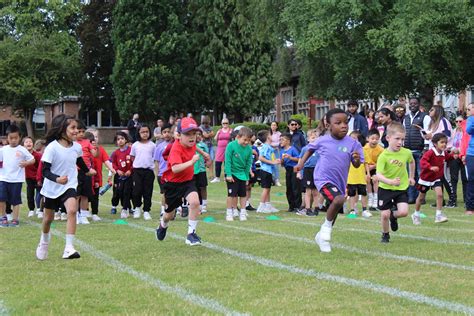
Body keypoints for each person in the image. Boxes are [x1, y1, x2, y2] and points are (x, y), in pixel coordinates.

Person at [295, 108, 364, 252]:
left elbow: (357, 165)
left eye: (345, 122)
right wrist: (301, 163)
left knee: (336, 205)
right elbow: (310, 149)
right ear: (328, 126)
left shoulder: (353, 143)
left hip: (339, 181)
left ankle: (321, 236)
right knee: (339, 200)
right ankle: (326, 229)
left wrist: (356, 160)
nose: (343, 125)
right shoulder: (322, 140)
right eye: (338, 123)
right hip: (322, 178)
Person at [35, 114, 96, 260]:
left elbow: (79, 160)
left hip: (69, 184)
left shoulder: (76, 146)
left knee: (72, 210)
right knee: (48, 219)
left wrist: (87, 171)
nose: (76, 131)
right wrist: (56, 179)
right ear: (62, 130)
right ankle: (44, 241)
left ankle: (69, 248)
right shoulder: (52, 148)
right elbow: (44, 171)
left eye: (77, 128)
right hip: (52, 187)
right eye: (73, 128)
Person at [156, 117, 204, 245]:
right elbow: (175, 168)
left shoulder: (191, 143)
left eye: (194, 133)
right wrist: (192, 162)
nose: (192, 137)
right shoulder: (176, 149)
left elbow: (194, 148)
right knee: (169, 216)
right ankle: (162, 224)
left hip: (188, 181)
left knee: (195, 202)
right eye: (187, 134)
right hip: (172, 184)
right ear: (178, 135)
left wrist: (205, 154)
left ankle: (191, 234)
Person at [376, 123, 415, 243]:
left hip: (401, 187)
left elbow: (412, 162)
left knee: (403, 212)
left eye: (402, 139)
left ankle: (394, 216)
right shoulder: (383, 156)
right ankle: (385, 234)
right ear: (388, 138)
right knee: (384, 215)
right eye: (397, 139)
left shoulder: (406, 152)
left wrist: (411, 177)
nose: (400, 142)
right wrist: (390, 181)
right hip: (385, 188)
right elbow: (378, 175)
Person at [411, 133, 452, 225]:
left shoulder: (444, 153)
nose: (444, 144)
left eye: (445, 142)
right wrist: (430, 167)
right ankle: (416, 214)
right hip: (425, 179)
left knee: (440, 195)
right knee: (421, 198)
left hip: (436, 178)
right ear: (435, 143)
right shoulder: (430, 152)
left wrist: (454, 155)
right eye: (442, 142)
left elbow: (448, 157)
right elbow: (423, 162)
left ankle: (438, 215)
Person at [0, 125, 35, 227]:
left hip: (16, 180)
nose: (13, 140)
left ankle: (15, 219)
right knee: (1, 199)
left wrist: (26, 163)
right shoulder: (3, 149)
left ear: (20, 137)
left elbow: (32, 159)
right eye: (11, 138)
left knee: (15, 200)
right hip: (3, 178)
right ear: (7, 138)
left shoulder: (22, 149)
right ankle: (3, 217)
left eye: (16, 138)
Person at [403, 97, 431, 204]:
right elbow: (404, 132)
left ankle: (420, 197)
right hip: (408, 150)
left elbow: (427, 132)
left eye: (415, 103)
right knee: (410, 175)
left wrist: (426, 148)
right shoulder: (406, 118)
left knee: (420, 174)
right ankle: (411, 196)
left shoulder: (425, 117)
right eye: (411, 103)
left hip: (420, 150)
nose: (412, 105)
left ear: (419, 105)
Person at [224, 127, 253, 221]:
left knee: (243, 195)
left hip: (242, 174)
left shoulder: (249, 149)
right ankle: (229, 212)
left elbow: (248, 164)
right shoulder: (231, 146)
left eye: (248, 140)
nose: (246, 142)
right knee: (231, 195)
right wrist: (228, 174)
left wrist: (246, 177)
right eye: (244, 140)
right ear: (238, 137)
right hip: (232, 173)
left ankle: (243, 213)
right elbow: (227, 161)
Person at [88, 128, 116, 222]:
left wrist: (111, 168)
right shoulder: (85, 149)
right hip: (86, 177)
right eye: (92, 136)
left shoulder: (101, 149)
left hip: (96, 177)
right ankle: (84, 211)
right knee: (85, 196)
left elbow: (106, 160)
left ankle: (95, 213)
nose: (94, 139)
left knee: (95, 196)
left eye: (96, 136)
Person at [130, 125, 155, 220]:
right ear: (138, 133)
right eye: (142, 132)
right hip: (137, 171)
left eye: (146, 132)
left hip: (148, 171)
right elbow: (132, 157)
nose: (145, 134)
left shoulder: (152, 145)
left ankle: (146, 210)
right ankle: (137, 208)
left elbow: (154, 157)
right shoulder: (135, 145)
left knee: (147, 191)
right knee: (137, 190)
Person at [75, 121, 97, 225]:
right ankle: (75, 215)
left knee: (85, 194)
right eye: (79, 131)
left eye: (83, 131)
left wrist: (93, 148)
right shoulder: (73, 143)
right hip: (76, 171)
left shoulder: (87, 142)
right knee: (76, 194)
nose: (81, 134)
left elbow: (94, 154)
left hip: (86, 172)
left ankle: (83, 215)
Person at [296, 129, 320, 217]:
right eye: (312, 138)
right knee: (308, 190)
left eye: (316, 138)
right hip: (308, 170)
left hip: (316, 170)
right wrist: (299, 172)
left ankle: (316, 208)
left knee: (316, 191)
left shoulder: (319, 149)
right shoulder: (305, 149)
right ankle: (307, 208)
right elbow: (300, 160)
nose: (314, 139)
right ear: (308, 139)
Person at [347, 131, 372, 218]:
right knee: (352, 194)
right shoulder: (347, 151)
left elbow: (366, 163)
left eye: (354, 138)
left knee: (363, 193)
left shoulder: (363, 150)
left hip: (361, 177)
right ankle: (352, 210)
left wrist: (368, 174)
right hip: (351, 177)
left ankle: (365, 210)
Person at [110, 131, 133, 219]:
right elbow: (114, 163)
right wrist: (117, 170)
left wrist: (130, 170)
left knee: (127, 192)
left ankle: (125, 209)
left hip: (128, 176)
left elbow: (134, 162)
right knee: (119, 192)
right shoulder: (116, 153)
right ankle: (116, 206)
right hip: (119, 176)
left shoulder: (130, 150)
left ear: (126, 140)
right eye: (118, 139)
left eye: (122, 139)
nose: (120, 141)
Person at [256, 130, 281, 213]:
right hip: (265, 170)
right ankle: (261, 206)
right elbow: (261, 158)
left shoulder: (269, 147)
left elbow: (270, 157)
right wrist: (272, 162)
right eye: (270, 134)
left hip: (269, 171)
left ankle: (268, 205)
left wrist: (275, 160)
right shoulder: (265, 146)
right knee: (266, 189)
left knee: (268, 188)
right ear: (268, 137)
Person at [448, 116, 468, 208]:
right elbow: (449, 144)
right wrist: (453, 150)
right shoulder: (453, 131)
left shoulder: (467, 131)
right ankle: (453, 198)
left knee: (465, 179)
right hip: (454, 156)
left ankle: (467, 199)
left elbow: (467, 144)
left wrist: (459, 151)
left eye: (460, 121)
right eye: (457, 121)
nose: (459, 123)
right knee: (453, 178)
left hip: (464, 156)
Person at [154, 124, 173, 217]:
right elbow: (157, 161)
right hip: (163, 174)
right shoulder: (159, 147)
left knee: (175, 192)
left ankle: (176, 208)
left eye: (168, 132)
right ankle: (163, 210)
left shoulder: (175, 145)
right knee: (164, 193)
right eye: (164, 132)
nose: (167, 134)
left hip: (174, 173)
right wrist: (157, 174)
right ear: (161, 134)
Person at [280, 133, 301, 213]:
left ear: (288, 141)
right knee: (289, 188)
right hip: (287, 170)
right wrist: (282, 160)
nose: (281, 141)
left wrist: (290, 157)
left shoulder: (292, 149)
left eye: (283, 140)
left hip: (294, 169)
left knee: (295, 188)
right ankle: (291, 206)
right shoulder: (282, 151)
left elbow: (298, 159)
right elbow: (282, 164)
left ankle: (297, 206)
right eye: (280, 140)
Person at [364, 129, 384, 210]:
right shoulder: (364, 148)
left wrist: (374, 166)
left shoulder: (381, 150)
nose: (374, 140)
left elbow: (382, 162)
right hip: (366, 168)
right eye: (372, 138)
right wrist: (367, 167)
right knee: (367, 180)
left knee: (375, 180)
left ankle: (376, 198)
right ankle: (370, 197)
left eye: (376, 139)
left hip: (376, 168)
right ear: (367, 138)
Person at [23, 136, 42, 218]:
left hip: (37, 177)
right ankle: (31, 209)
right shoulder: (22, 155)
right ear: (23, 145)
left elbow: (40, 167)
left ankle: (39, 208)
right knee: (30, 194)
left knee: (39, 193)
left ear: (33, 144)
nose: (28, 143)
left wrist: (39, 178)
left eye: (30, 142)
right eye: (26, 142)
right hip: (28, 178)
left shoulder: (37, 155)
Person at [210, 118, 232, 183]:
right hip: (220, 148)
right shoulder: (219, 130)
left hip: (228, 148)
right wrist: (217, 133)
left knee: (227, 162)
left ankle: (226, 177)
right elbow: (215, 138)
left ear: (228, 124)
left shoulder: (231, 130)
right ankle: (217, 177)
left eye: (226, 123)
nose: (225, 124)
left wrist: (231, 134)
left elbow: (233, 138)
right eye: (223, 123)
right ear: (221, 124)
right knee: (218, 162)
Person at [462, 102, 474, 215]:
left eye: (470, 109)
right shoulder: (470, 119)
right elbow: (469, 130)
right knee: (471, 180)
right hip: (472, 153)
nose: (468, 112)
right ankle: (470, 207)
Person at [194, 130, 209, 214]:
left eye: (199, 134)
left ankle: (204, 204)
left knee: (203, 187)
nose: (198, 136)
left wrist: (208, 162)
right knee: (194, 188)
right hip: (192, 170)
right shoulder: (190, 145)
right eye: (196, 134)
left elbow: (208, 157)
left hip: (201, 170)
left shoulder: (203, 146)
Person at [246, 135, 259, 211]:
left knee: (249, 187)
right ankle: (241, 203)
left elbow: (257, 159)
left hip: (253, 169)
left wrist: (256, 154)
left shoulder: (255, 147)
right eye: (253, 137)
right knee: (244, 186)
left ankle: (248, 203)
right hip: (246, 169)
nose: (255, 138)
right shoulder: (245, 147)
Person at [270, 121, 282, 187]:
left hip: (276, 151)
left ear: (277, 126)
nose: (273, 126)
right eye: (272, 125)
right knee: (270, 165)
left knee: (276, 166)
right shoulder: (269, 133)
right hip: (270, 152)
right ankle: (271, 180)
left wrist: (274, 145)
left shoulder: (279, 134)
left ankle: (277, 180)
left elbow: (280, 143)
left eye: (274, 125)